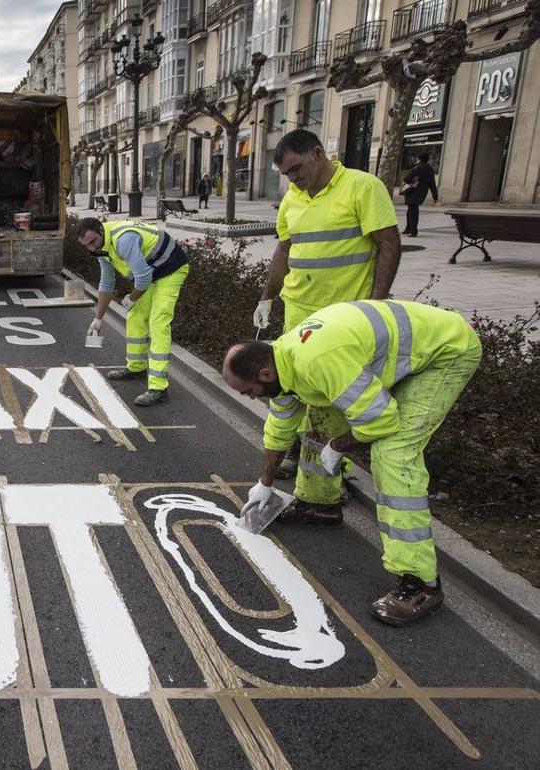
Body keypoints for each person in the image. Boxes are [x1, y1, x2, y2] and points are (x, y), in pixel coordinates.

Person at [222, 300, 480, 625]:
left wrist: (338, 445)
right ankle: (320, 505)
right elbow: (280, 427)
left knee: (393, 455)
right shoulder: (283, 365)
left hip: (445, 354)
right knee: (319, 413)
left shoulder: (318, 360)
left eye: (249, 391)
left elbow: (380, 421)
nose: (250, 397)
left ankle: (420, 584)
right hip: (397, 354)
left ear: (264, 373)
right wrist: (265, 483)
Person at [255, 129, 401, 505]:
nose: (293, 178)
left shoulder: (362, 187)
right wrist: (267, 297)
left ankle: (332, 465)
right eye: (286, 174)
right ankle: (300, 450)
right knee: (293, 388)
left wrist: (377, 304)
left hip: (345, 316)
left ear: (319, 154)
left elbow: (388, 242)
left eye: (297, 169)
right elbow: (284, 249)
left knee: (337, 396)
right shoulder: (292, 199)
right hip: (298, 312)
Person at [76, 216, 191, 406]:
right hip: (151, 270)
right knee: (136, 316)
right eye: (86, 245)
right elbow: (106, 283)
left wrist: (132, 297)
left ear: (101, 231)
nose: (92, 248)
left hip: (170, 267)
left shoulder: (123, 240)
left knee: (158, 322)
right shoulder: (102, 248)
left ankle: (158, 388)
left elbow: (143, 277)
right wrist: (98, 318)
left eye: (93, 242)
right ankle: (136, 368)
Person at [401, 153, 439, 236]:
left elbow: (406, 179)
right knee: (411, 210)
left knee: (413, 212)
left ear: (419, 158)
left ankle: (414, 231)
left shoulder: (416, 168)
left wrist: (411, 182)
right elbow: (432, 185)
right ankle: (408, 228)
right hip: (422, 193)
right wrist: (435, 196)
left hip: (412, 192)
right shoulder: (430, 170)